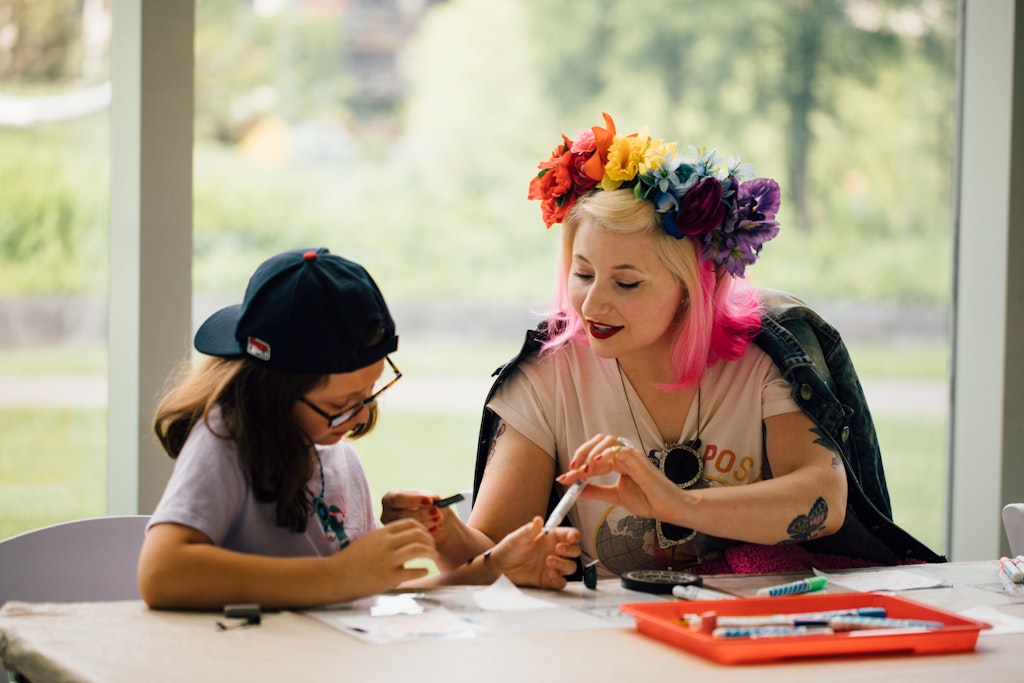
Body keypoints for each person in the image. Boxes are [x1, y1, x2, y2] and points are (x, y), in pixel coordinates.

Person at [384, 113, 944, 579]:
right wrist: (440, 529)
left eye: (626, 283)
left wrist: (677, 502)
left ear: (692, 289)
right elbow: (496, 551)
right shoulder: (551, 373)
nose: (591, 305)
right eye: (582, 274)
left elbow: (823, 500)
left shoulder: (766, 359)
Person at [137, 247, 581, 610]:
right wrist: (335, 576)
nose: (357, 418)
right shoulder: (226, 442)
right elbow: (161, 574)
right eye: (338, 405)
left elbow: (361, 599)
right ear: (271, 389)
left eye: (368, 394)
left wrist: (490, 569)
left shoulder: (337, 457)